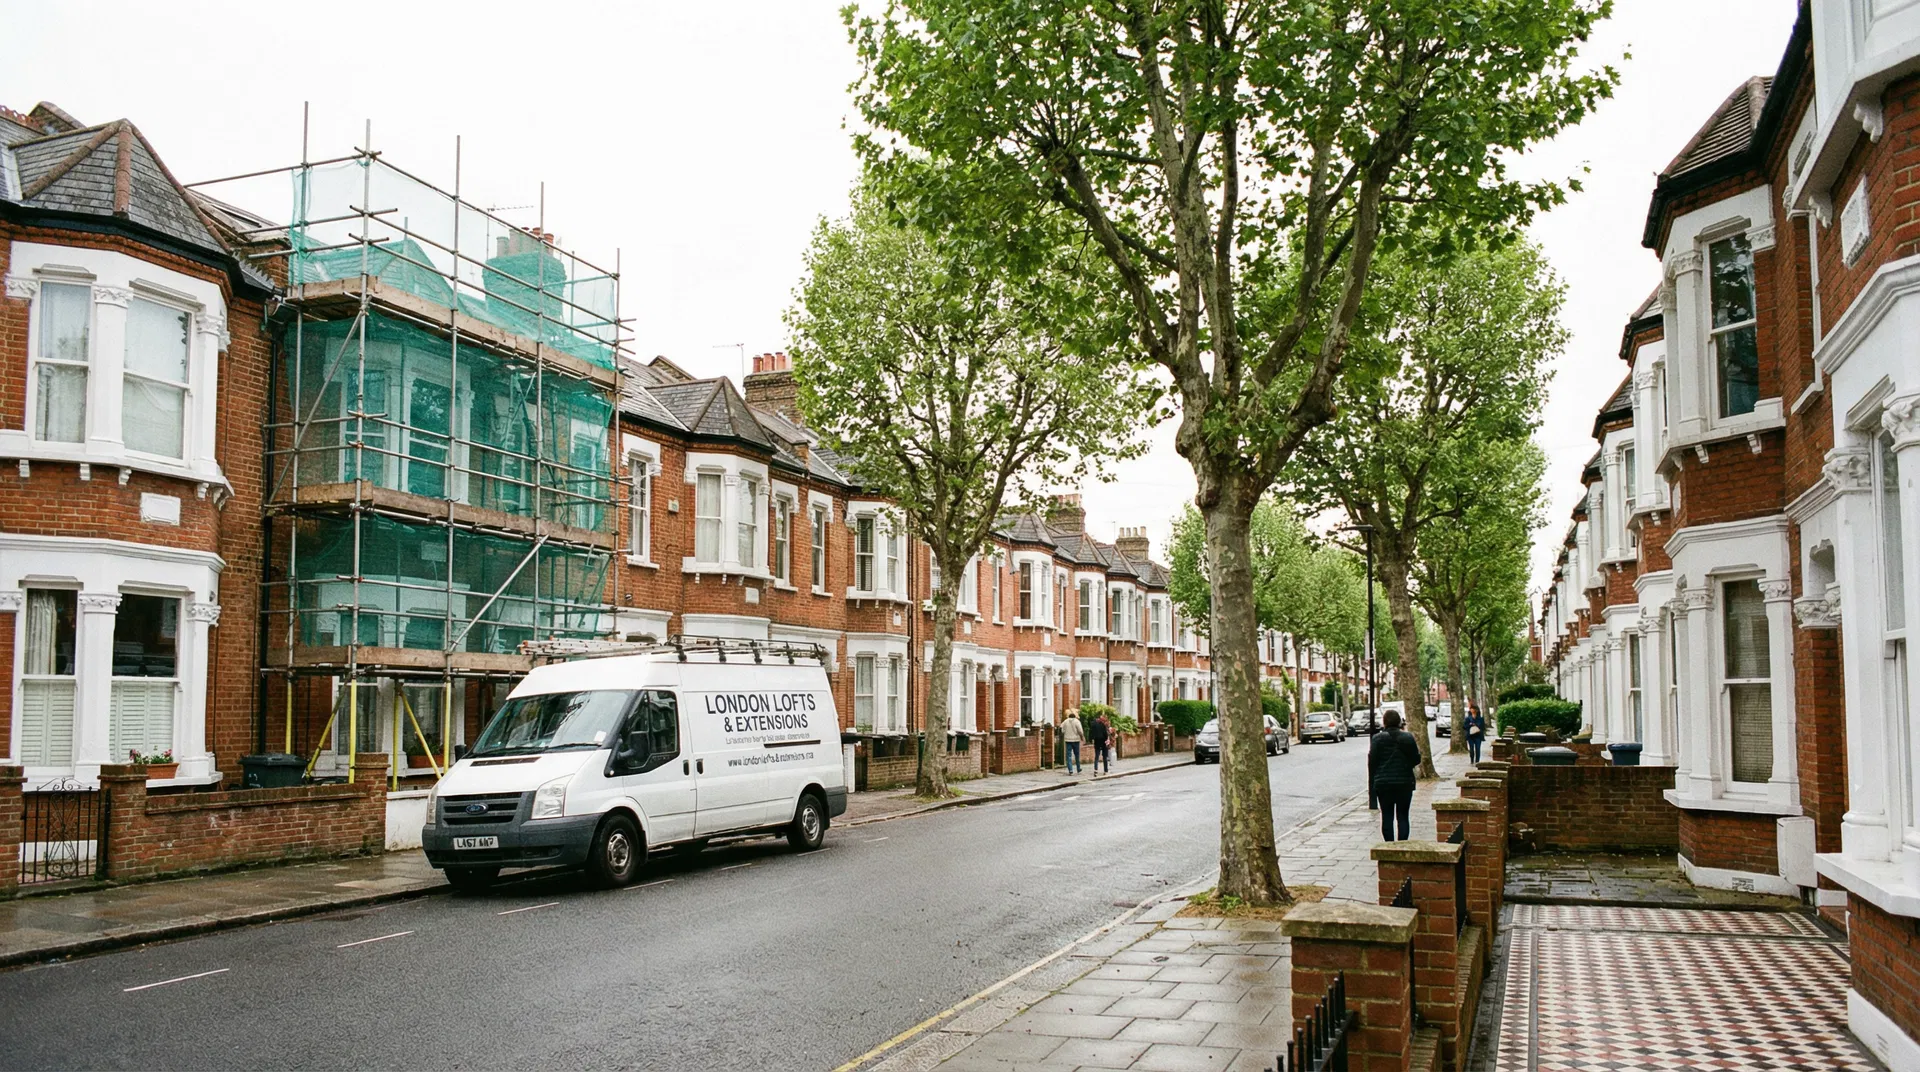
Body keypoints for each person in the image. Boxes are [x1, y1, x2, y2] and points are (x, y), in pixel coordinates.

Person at [1368, 709, 1422, 841]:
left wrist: (1373, 784)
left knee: (1387, 816)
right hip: (1404, 783)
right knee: (1403, 816)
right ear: (1399, 722)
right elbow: (1416, 759)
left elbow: (1372, 762)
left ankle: (1389, 846)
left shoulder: (1377, 739)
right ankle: (1402, 845)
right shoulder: (1407, 737)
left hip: (1383, 784)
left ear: (1384, 722)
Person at [1059, 710, 1085, 775]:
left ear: (1069, 716)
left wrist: (1064, 732)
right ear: (1075, 716)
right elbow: (1080, 731)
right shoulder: (1077, 721)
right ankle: (1078, 769)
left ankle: (1070, 769)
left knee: (1068, 755)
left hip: (1068, 740)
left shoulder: (1065, 721)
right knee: (1077, 755)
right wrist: (1082, 737)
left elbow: (1061, 728)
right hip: (1076, 740)